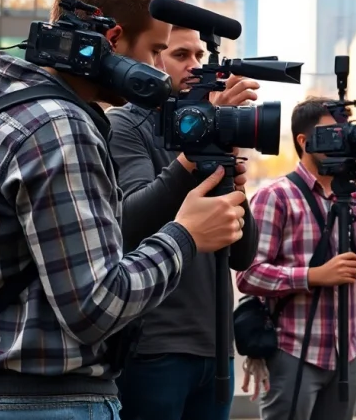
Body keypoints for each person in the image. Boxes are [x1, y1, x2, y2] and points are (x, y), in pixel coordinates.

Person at [0, 0, 246, 420]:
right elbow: (95, 306)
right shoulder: (60, 128)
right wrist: (185, 236)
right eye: (154, 53)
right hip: (47, 403)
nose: (158, 71)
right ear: (112, 40)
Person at [106, 26, 261, 420]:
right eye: (179, 55)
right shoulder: (126, 124)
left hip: (216, 347)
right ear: (154, 58)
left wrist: (231, 177)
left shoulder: (215, 132)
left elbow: (242, 255)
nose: (194, 66)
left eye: (198, 56)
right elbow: (129, 224)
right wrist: (194, 150)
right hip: (155, 347)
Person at [236, 97, 356, 420]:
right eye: (333, 132)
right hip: (293, 350)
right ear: (304, 140)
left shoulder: (355, 198)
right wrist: (313, 276)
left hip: (347, 352)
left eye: (346, 130)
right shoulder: (276, 197)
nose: (344, 138)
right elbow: (248, 274)